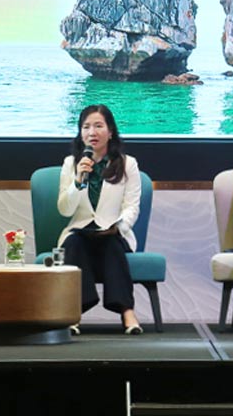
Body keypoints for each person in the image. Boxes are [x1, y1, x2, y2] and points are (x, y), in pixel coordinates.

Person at [57, 104, 143, 335]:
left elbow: (131, 207)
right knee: (75, 242)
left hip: (114, 233)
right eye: (86, 127)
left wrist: (119, 226)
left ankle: (127, 313)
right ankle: (74, 314)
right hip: (80, 232)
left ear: (110, 131)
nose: (91, 133)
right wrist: (77, 181)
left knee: (111, 243)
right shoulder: (71, 163)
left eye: (98, 126)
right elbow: (65, 210)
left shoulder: (128, 164)